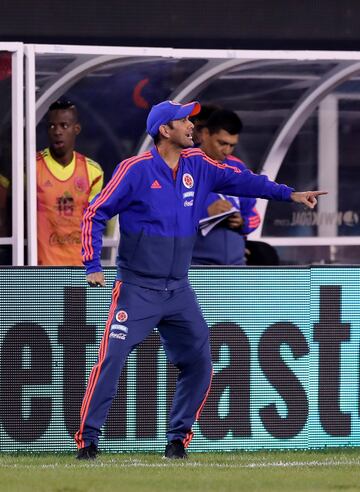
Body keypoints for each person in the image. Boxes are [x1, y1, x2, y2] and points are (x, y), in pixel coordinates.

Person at [75, 99, 326, 460]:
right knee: (111, 359)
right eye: (184, 121)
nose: (192, 125)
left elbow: (246, 182)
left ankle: (177, 440)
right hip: (137, 288)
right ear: (165, 130)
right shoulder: (134, 170)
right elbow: (94, 214)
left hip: (178, 289)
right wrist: (92, 263)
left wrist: (290, 194)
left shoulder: (199, 165)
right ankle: (88, 442)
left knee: (200, 362)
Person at [36, 99, 104, 266]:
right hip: (42, 269)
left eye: (64, 126)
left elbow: (96, 222)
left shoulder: (92, 172)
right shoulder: (31, 168)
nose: (57, 131)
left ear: (76, 129)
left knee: (76, 294)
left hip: (79, 268)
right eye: (52, 126)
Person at [192, 109, 260, 265]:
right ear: (205, 134)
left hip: (236, 266)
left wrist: (243, 222)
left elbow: (254, 215)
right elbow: (164, 215)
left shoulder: (238, 168)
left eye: (232, 145)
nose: (227, 150)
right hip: (195, 265)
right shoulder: (182, 165)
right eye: (222, 143)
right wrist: (205, 212)